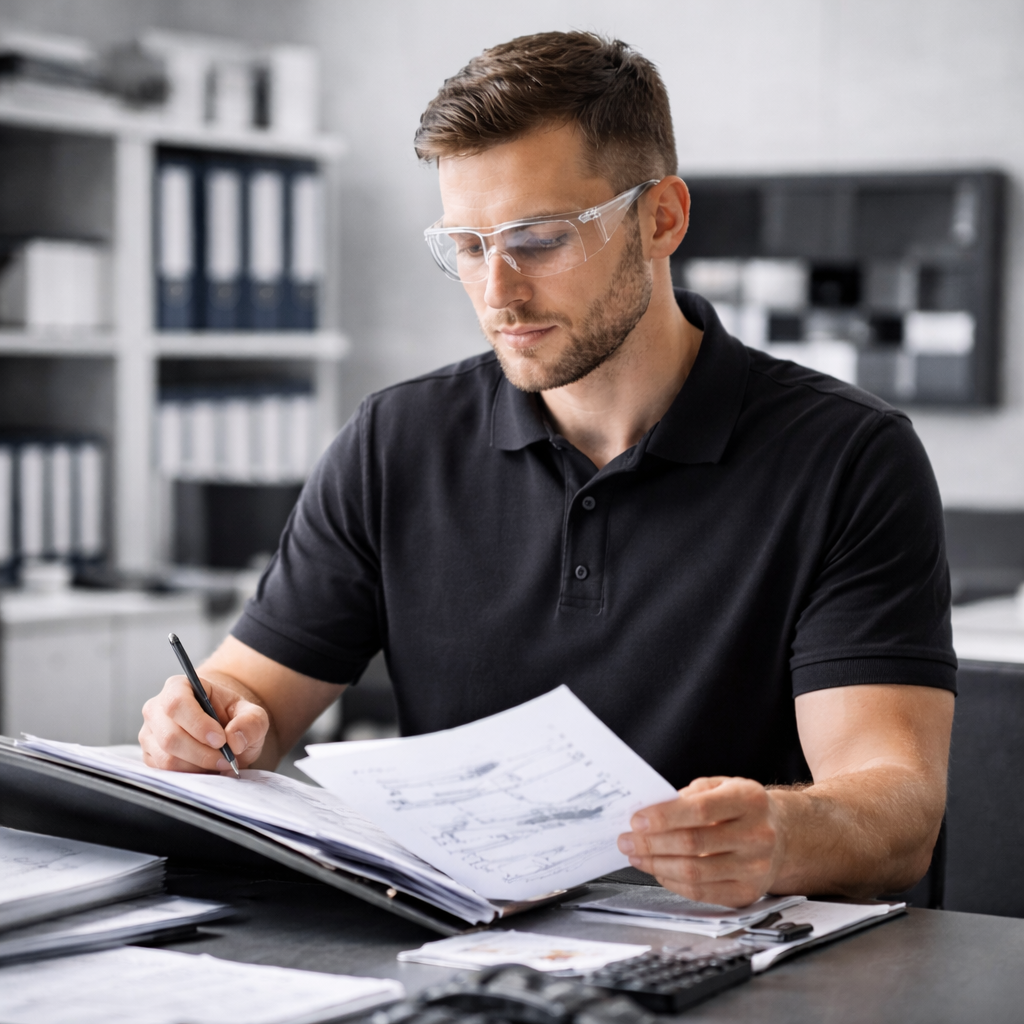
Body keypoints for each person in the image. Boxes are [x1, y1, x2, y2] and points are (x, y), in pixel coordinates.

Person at [141, 31, 956, 908]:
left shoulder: (849, 458)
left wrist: (786, 834)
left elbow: (897, 804)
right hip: (468, 955)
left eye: (537, 238)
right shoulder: (394, 441)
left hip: (741, 958)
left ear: (662, 219)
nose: (498, 292)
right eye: (467, 244)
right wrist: (205, 720)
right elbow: (251, 700)